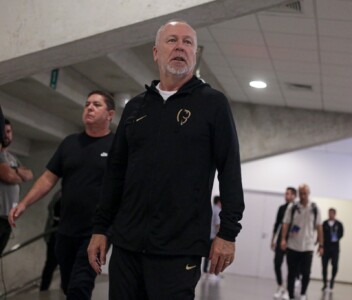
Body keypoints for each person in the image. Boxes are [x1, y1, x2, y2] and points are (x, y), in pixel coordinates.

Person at [87, 19, 245, 300]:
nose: (180, 47)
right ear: (156, 52)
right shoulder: (137, 107)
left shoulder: (213, 104)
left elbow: (230, 170)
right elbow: (116, 172)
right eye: (172, 40)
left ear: (194, 54)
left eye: (188, 43)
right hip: (127, 246)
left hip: (180, 249)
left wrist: (228, 233)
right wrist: (101, 229)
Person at [8, 90, 115, 300]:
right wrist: (24, 204)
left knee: (80, 286)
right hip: (66, 230)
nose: (89, 108)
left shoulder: (117, 146)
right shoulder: (70, 143)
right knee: (68, 286)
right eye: (87, 104)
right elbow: (48, 179)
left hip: (97, 232)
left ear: (110, 115)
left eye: (96, 104)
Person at [281, 184, 324, 300]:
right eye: (301, 193)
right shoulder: (292, 207)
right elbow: (285, 224)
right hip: (293, 245)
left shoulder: (314, 208)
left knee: (306, 273)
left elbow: (319, 227)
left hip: (308, 247)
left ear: (309, 193)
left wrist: (321, 245)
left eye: (305, 193)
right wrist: (283, 239)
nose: (303, 196)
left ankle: (303, 293)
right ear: (299, 194)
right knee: (291, 272)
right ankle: (290, 294)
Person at [0, 118, 33, 255]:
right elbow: (8, 176)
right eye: (3, 132)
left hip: (7, 218)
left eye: (9, 131)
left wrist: (16, 170)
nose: (6, 135)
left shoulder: (12, 158)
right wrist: (17, 173)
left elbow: (29, 175)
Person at [271, 187, 297, 299]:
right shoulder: (281, 208)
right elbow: (277, 224)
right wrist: (273, 240)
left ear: (294, 196)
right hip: (281, 239)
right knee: (277, 263)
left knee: (292, 267)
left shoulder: (297, 208)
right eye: (286, 194)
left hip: (293, 241)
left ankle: (288, 290)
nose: (286, 196)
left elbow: (298, 225)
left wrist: (293, 236)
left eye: (289, 194)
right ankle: (280, 286)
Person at [40, 189, 61, 291]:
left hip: (62, 232)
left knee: (63, 265)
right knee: (50, 265)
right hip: (55, 233)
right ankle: (43, 289)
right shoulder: (60, 194)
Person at [321, 208, 343, 292]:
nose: (330, 215)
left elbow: (341, 234)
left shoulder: (339, 224)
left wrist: (335, 237)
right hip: (325, 248)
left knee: (335, 265)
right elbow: (321, 234)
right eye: (329, 213)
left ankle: (332, 280)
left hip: (335, 248)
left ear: (334, 214)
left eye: (332, 213)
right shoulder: (324, 223)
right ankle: (324, 284)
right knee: (324, 266)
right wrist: (321, 246)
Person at [203, 196, 221, 277]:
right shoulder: (217, 210)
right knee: (213, 254)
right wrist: (221, 235)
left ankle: (205, 270)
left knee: (207, 253)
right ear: (219, 202)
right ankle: (213, 272)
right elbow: (217, 224)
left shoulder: (210, 208)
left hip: (207, 234)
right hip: (213, 235)